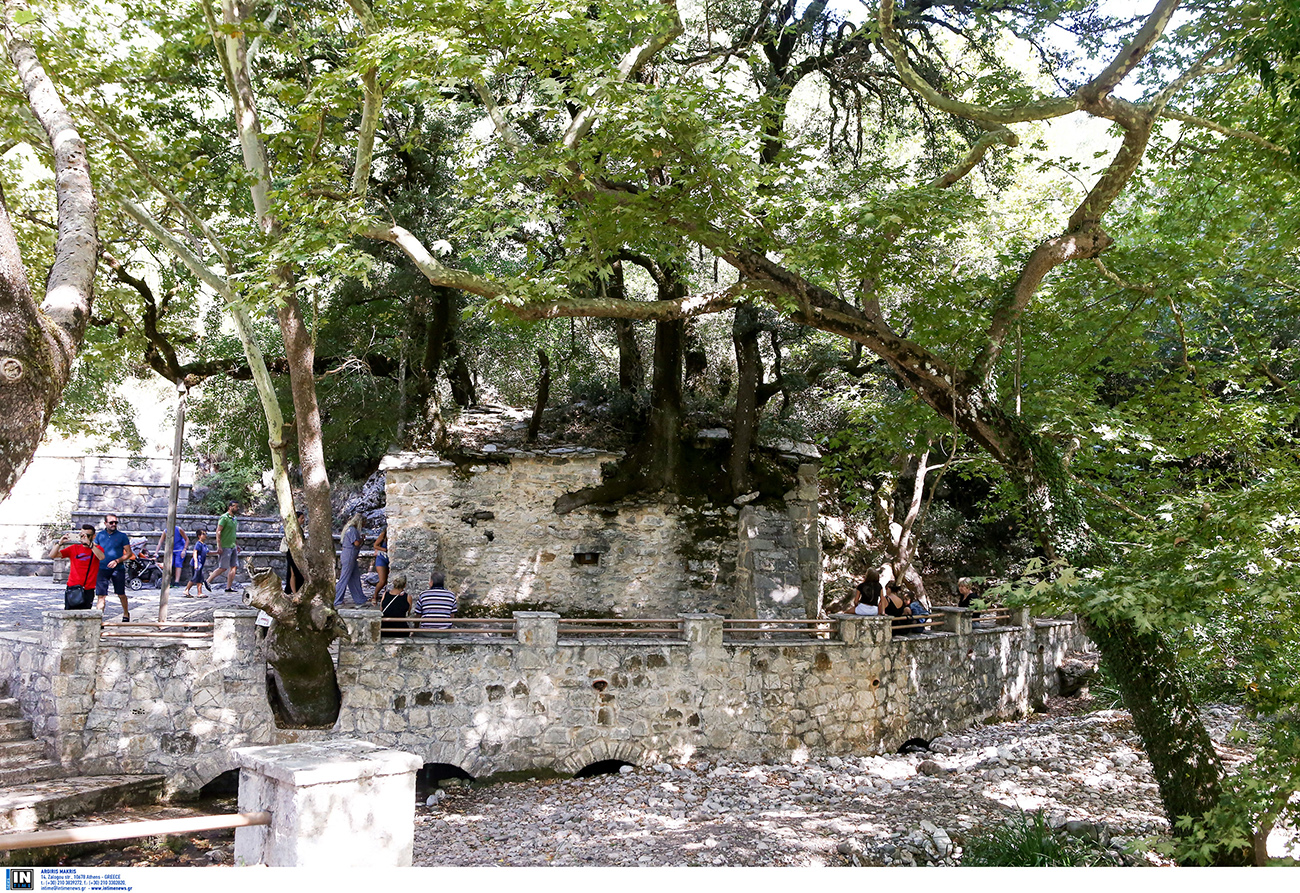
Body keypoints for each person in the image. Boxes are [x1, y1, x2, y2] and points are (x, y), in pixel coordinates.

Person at [51, 524, 103, 610]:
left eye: (87, 535)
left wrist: (90, 545)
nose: (84, 538)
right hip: (72, 587)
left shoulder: (97, 548)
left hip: (88, 588)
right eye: (82, 535)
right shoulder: (74, 548)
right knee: (69, 616)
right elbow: (53, 555)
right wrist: (59, 543)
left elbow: (101, 557)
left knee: (84, 616)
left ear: (93, 537)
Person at [94, 514, 134, 621]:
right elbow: (94, 550)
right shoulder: (99, 536)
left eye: (115, 523)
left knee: (121, 594)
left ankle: (126, 613)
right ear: (105, 523)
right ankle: (99, 619)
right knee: (101, 596)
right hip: (102, 568)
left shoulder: (122, 536)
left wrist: (117, 561)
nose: (113, 524)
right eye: (111, 522)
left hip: (118, 569)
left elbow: (129, 553)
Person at [333, 513, 366, 607]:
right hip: (349, 556)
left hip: (350, 556)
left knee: (354, 578)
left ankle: (360, 599)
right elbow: (356, 543)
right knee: (344, 578)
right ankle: (336, 599)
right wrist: (362, 540)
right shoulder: (352, 530)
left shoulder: (349, 529)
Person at [215, 502, 240, 592]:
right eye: (235, 506)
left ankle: (228, 587)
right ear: (230, 507)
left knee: (234, 566)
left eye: (238, 507)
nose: (237, 508)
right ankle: (207, 581)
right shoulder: (224, 518)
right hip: (225, 546)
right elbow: (218, 531)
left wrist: (236, 544)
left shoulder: (235, 518)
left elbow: (233, 533)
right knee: (223, 567)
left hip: (233, 546)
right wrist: (219, 546)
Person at [281, 511, 306, 595]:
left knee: (297, 573)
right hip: (292, 553)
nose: (303, 520)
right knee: (292, 573)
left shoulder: (299, 530)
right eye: (301, 518)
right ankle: (294, 592)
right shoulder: (292, 530)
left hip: (298, 553)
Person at [380, 572, 412, 638]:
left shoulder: (385, 594)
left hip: (385, 628)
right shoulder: (407, 597)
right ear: (405, 585)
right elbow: (408, 612)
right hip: (401, 629)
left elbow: (381, 609)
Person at [184, 529, 211, 598]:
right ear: (199, 536)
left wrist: (217, 552)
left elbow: (207, 552)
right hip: (197, 564)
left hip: (200, 564)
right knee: (195, 577)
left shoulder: (204, 545)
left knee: (200, 578)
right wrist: (196, 563)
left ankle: (199, 592)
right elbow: (195, 552)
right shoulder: (198, 544)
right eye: (203, 534)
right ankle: (186, 590)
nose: (205, 536)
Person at [370, 526, 389, 604]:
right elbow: (375, 545)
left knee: (388, 581)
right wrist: (384, 549)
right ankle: (375, 596)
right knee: (382, 581)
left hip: (390, 559)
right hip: (381, 558)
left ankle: (385, 598)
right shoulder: (383, 534)